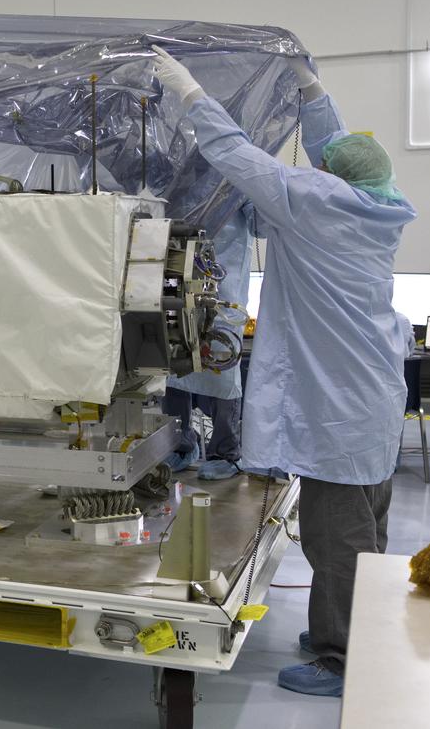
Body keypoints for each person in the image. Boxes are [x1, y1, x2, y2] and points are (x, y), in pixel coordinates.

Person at [151, 45, 416, 697]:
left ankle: (340, 655)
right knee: (369, 524)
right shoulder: (378, 205)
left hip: (339, 414)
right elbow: (340, 148)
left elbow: (235, 153)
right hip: (373, 398)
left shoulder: (311, 206)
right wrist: (310, 89)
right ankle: (355, 625)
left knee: (337, 537)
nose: (321, 161)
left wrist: (186, 91)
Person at [162, 201, 255, 480]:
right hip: (177, 265)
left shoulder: (237, 174)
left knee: (221, 363)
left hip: (223, 277)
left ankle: (227, 452)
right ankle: (179, 444)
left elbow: (259, 222)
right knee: (174, 356)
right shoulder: (177, 168)